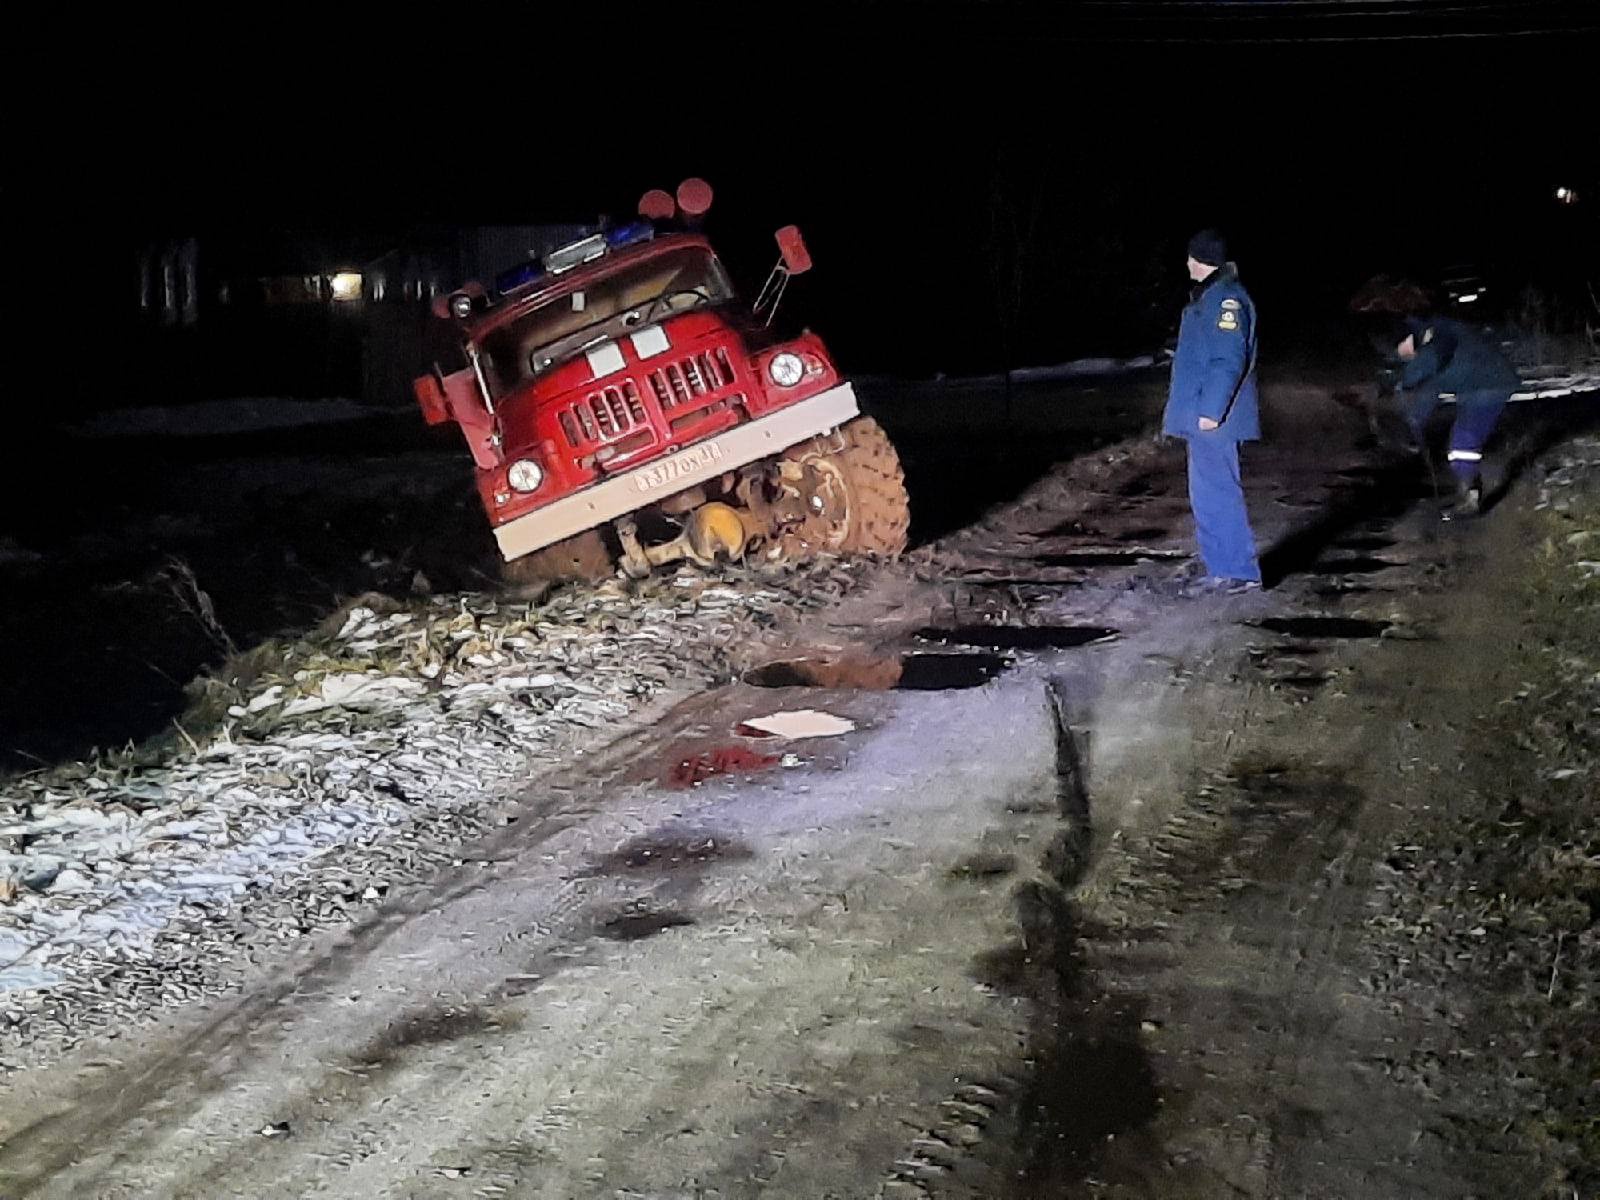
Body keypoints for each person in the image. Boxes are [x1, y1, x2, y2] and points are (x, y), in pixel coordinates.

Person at [1164, 229, 1262, 592]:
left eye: (1192, 256)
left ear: (1203, 260)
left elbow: (1228, 359)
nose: (1187, 262)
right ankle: (1222, 567)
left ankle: (1237, 570)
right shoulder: (1207, 299)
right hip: (1203, 416)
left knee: (1218, 493)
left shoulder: (1225, 301)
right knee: (1206, 494)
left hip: (1214, 419)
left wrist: (1212, 410)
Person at [1394, 312, 1520, 517]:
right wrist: (1415, 418)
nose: (1407, 356)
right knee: (1459, 443)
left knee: (1465, 439)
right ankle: (1467, 493)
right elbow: (1430, 390)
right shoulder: (1430, 336)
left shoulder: (1439, 335)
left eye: (1405, 351)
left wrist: (1407, 380)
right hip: (1473, 387)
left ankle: (1471, 498)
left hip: (1489, 383)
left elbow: (1431, 362)